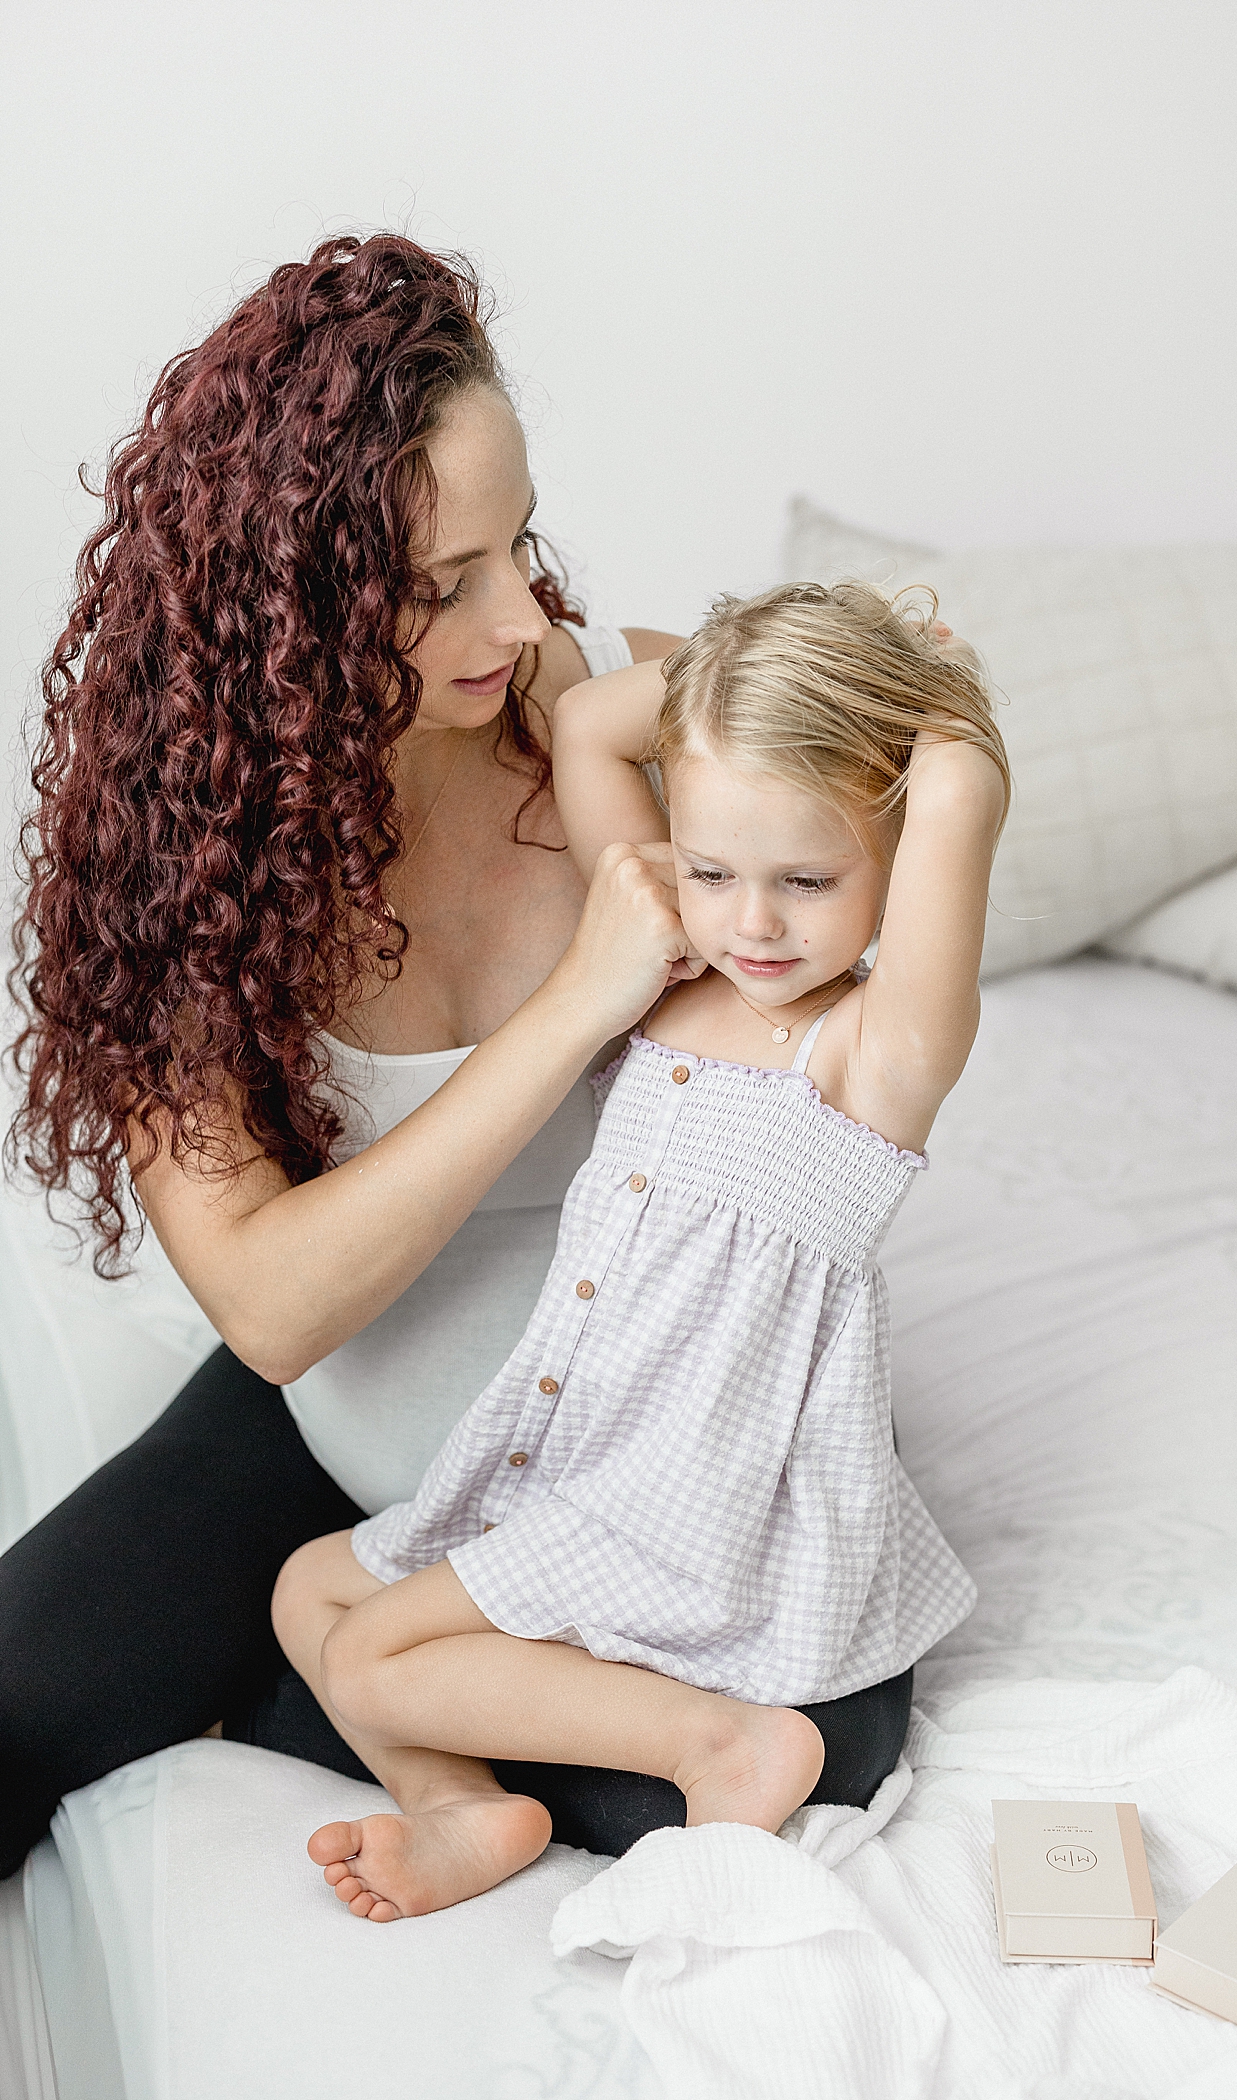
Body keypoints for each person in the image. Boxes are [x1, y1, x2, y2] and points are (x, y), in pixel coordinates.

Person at [0, 235, 908, 1879]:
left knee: (822, 1758)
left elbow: (883, 844)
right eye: (439, 585)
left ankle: (341, 1683)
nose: (517, 614)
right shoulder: (171, 858)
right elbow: (271, 1310)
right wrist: (578, 999)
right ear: (287, 612)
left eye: (519, 544)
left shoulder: (606, 722)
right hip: (343, 1421)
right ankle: (352, 1674)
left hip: (641, 1444)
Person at [270, 577, 1010, 1921]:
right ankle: (466, 1808)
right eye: (716, 870)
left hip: (696, 1497)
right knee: (305, 1590)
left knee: (371, 1662)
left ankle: (719, 1743)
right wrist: (750, 678)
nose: (756, 922)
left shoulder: (870, 1059)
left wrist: (898, 683)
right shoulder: (672, 984)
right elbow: (598, 726)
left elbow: (961, 785)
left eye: (808, 880)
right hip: (585, 1452)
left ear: (893, 857)